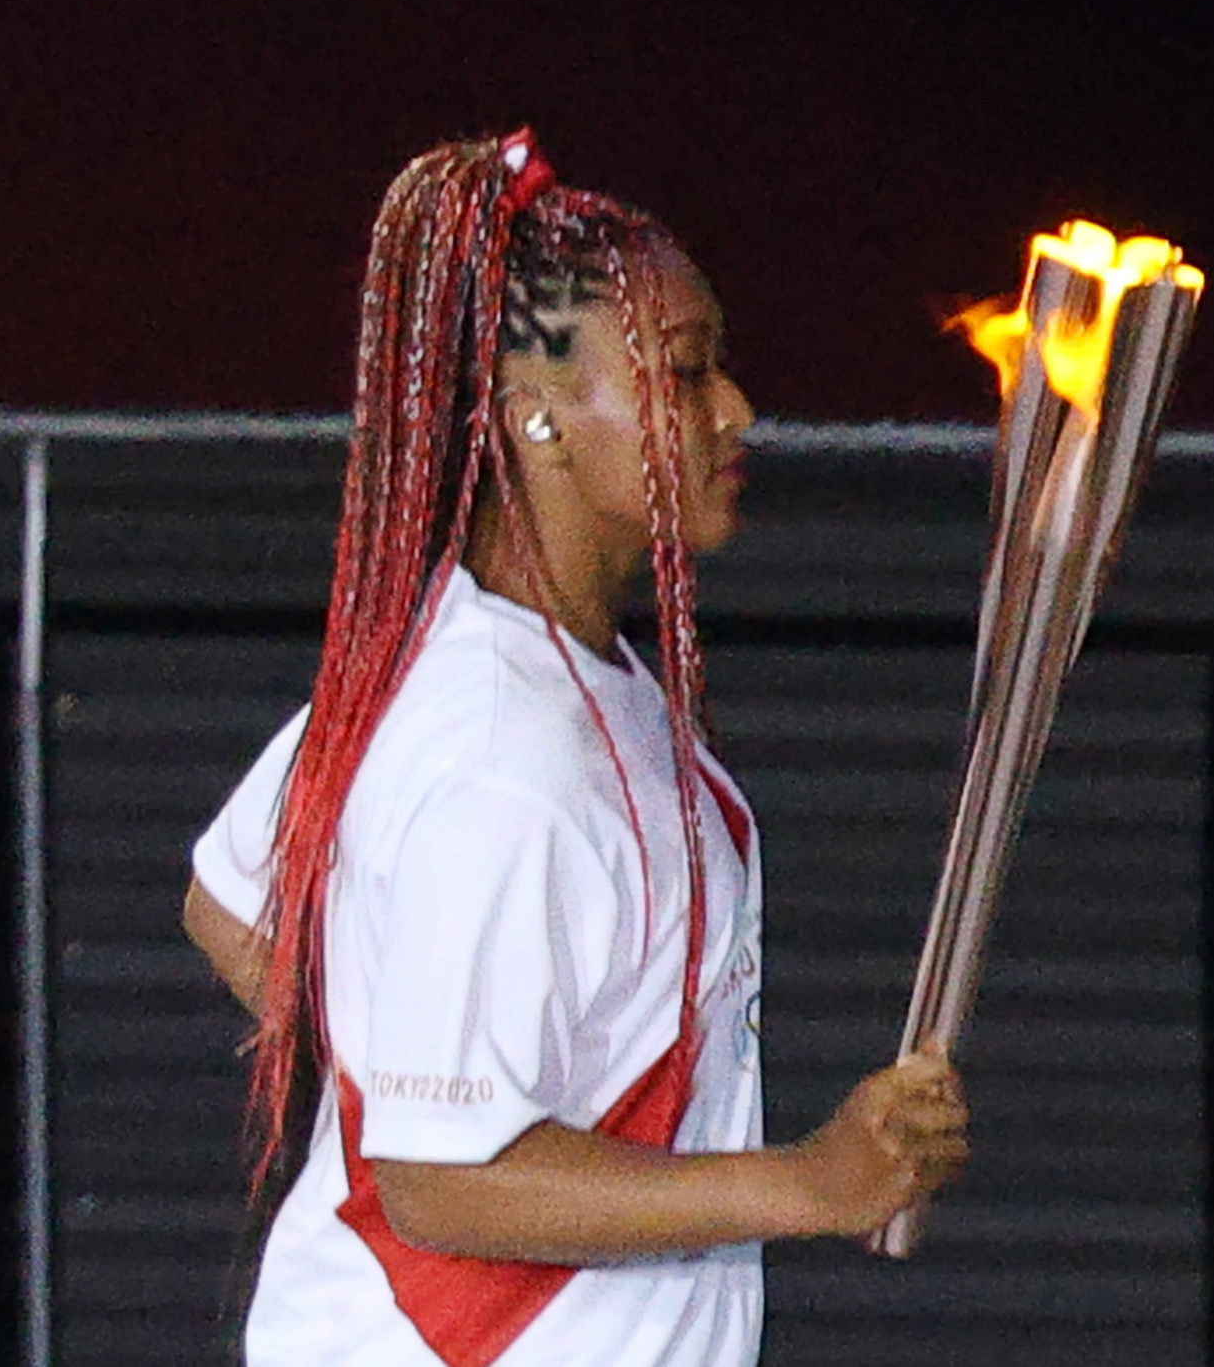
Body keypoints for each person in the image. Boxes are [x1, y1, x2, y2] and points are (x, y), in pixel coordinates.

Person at [182, 132, 966, 1367]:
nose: (735, 410)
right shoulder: (507, 757)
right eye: (687, 373)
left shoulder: (472, 657)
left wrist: (431, 1045)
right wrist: (812, 1183)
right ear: (537, 416)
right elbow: (441, 1182)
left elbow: (229, 900)